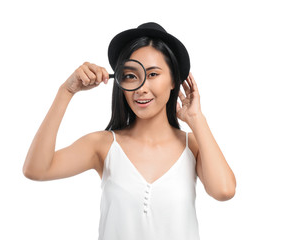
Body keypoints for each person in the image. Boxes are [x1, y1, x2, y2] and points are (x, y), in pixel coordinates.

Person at [23, 22, 236, 240]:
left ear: (174, 79)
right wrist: (66, 91)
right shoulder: (103, 145)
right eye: (130, 76)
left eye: (152, 74)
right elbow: (36, 170)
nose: (141, 88)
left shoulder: (193, 146)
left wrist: (196, 120)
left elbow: (224, 191)